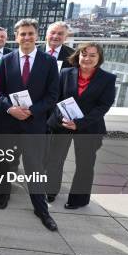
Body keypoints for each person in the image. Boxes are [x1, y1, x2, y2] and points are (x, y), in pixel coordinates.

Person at [0, 19, 59, 231]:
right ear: (16, 36)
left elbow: (52, 95)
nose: (27, 37)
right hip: (8, 122)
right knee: (3, 162)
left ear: (37, 35)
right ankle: (4, 193)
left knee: (34, 167)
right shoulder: (7, 59)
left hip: (34, 124)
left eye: (30, 33)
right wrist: (10, 108)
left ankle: (41, 209)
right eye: (22, 34)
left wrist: (32, 110)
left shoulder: (48, 62)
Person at [45, 43, 116, 209]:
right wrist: (64, 117)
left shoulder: (107, 79)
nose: (87, 58)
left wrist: (78, 124)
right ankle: (50, 191)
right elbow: (56, 98)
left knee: (85, 164)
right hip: (63, 124)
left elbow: (103, 106)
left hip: (89, 127)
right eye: (84, 54)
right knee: (55, 160)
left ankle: (79, 199)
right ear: (78, 56)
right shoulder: (65, 73)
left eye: (92, 55)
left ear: (99, 59)